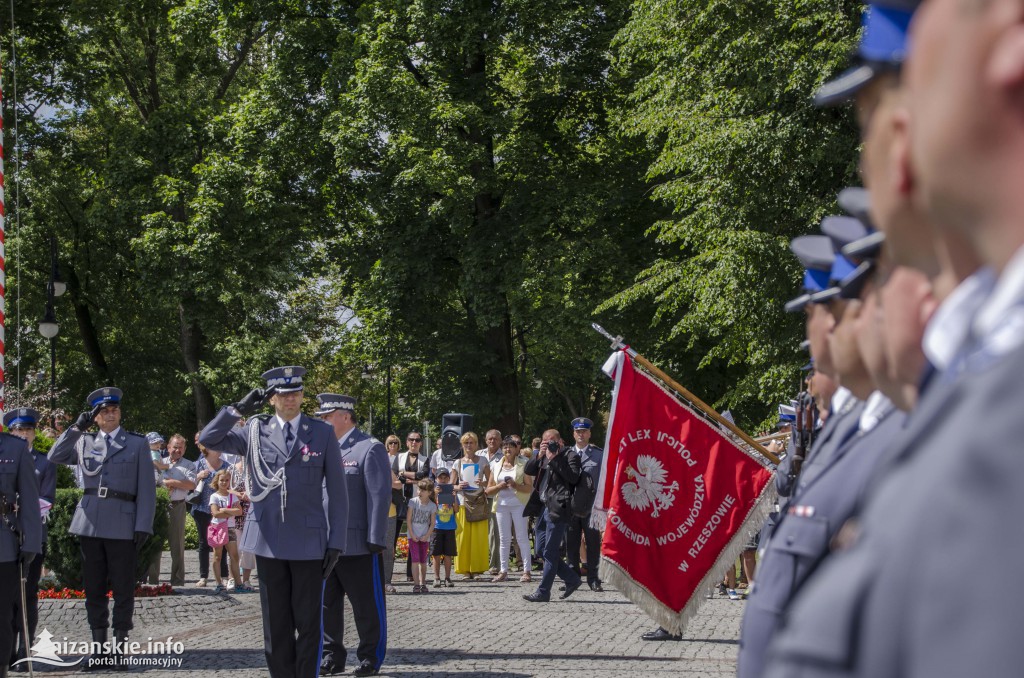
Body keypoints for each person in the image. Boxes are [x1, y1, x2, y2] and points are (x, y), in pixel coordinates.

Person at [199, 367, 348, 678]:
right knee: (276, 623)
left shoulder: (320, 433)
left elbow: (337, 491)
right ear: (271, 399)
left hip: (309, 541)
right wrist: (237, 409)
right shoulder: (255, 430)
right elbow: (209, 438)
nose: (289, 398)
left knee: (308, 623)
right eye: (282, 393)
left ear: (303, 395)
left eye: (295, 392)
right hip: (268, 539)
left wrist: (336, 542)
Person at [48, 387, 156, 670]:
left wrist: (143, 523)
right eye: (104, 411)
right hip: (90, 523)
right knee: (93, 590)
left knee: (123, 589)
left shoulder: (136, 443)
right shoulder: (85, 442)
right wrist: (75, 428)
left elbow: (147, 487)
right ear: (95, 418)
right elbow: (55, 455)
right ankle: (98, 650)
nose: (110, 414)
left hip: (123, 522)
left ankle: (119, 650)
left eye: (114, 410)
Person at [315, 393, 390, 678]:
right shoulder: (323, 448)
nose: (322, 420)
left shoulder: (368, 448)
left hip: (358, 543)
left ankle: (370, 656)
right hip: (324, 543)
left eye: (327, 415)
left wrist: (376, 537)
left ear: (345, 416)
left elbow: (379, 495)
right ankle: (332, 655)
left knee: (366, 606)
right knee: (327, 605)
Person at [3, 408, 48, 671]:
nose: (22, 433)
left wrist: (31, 540)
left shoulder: (32, 457)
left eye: (27, 429)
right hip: (7, 536)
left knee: (19, 601)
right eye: (18, 430)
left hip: (18, 538)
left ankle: (20, 651)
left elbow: (38, 501)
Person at [522, 429, 582, 603]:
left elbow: (573, 478)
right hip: (542, 508)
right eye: (545, 441)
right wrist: (539, 455)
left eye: (552, 441)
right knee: (541, 550)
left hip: (558, 508)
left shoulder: (570, 455)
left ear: (560, 441)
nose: (549, 444)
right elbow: (529, 469)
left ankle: (543, 591)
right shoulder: (543, 455)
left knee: (550, 551)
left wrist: (555, 458)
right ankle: (571, 578)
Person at [484, 435, 533, 582]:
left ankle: (527, 571)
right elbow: (488, 490)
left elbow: (529, 487)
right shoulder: (496, 464)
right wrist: (499, 486)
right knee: (504, 539)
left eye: (510, 446)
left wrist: (515, 485)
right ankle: (503, 570)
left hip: (519, 504)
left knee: (522, 537)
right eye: (505, 447)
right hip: (501, 505)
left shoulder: (523, 463)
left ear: (516, 449)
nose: (507, 449)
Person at [564, 417, 603, 591]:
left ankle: (594, 578)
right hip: (570, 506)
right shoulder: (565, 454)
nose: (581, 434)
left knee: (593, 543)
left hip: (591, 507)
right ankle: (572, 578)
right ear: (573, 434)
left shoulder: (599, 454)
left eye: (584, 431)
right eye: (578, 432)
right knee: (571, 543)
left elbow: (604, 481)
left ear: (589, 434)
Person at [191, 435, 230, 587]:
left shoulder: (225, 466)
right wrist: (198, 476)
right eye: (216, 446)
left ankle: (225, 576)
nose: (220, 449)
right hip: (201, 509)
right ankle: (203, 577)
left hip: (220, 511)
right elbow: (188, 484)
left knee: (223, 543)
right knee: (203, 544)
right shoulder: (198, 465)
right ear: (206, 448)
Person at [452, 432, 490, 578]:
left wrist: (484, 483)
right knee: (463, 537)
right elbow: (451, 485)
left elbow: (491, 481)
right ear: (462, 445)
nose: (469, 445)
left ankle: (477, 569)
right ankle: (465, 569)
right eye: (466, 443)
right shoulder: (458, 463)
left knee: (478, 538)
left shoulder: (483, 461)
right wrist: (458, 485)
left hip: (479, 501)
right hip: (463, 502)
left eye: (471, 442)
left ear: (476, 445)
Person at [160, 434, 196, 587]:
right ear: (168, 447)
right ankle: (152, 580)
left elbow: (191, 485)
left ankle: (177, 580)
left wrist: (171, 482)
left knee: (177, 546)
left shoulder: (189, 465)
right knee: (155, 544)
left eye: (181, 447)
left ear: (185, 449)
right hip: (160, 506)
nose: (177, 450)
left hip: (178, 506)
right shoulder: (159, 463)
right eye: (175, 447)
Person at [393, 431, 429, 582]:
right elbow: (395, 475)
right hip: (399, 500)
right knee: (393, 536)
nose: (414, 442)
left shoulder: (425, 459)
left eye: (417, 440)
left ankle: (410, 573)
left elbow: (423, 476)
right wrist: (413, 477)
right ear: (407, 442)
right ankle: (388, 573)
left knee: (415, 536)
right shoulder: (399, 457)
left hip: (416, 501)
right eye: (411, 440)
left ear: (421, 443)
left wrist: (405, 475)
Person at [208, 469, 244, 593]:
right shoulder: (214, 496)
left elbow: (239, 511)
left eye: (226, 480)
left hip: (230, 528)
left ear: (230, 482)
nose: (224, 482)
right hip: (218, 528)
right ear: (217, 481)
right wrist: (228, 511)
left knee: (234, 556)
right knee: (217, 556)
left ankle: (238, 583)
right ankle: (219, 583)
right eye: (222, 480)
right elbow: (215, 513)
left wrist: (223, 510)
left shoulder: (232, 496)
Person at [406, 479, 436, 593]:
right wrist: (412, 535)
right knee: (415, 560)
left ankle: (423, 583)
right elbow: (408, 520)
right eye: (419, 489)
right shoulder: (413, 502)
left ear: (429, 492)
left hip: (425, 536)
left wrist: (426, 535)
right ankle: (416, 584)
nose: (419, 492)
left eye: (423, 490)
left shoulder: (432, 506)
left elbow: (432, 523)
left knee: (423, 561)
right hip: (413, 536)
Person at [480, 429, 503, 575]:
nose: (492, 441)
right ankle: (480, 562)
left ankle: (494, 564)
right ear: (485, 440)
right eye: (489, 439)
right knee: (479, 531)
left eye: (495, 439)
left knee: (494, 532)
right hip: (476, 498)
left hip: (495, 497)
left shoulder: (505, 456)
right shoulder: (479, 455)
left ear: (500, 440)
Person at [431, 468, 458, 588]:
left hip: (450, 527)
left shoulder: (451, 491)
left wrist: (454, 499)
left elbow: (456, 510)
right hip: (437, 527)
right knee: (436, 554)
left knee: (448, 554)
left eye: (445, 477)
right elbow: (429, 507)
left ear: (448, 479)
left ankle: (447, 577)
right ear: (436, 479)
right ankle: (436, 578)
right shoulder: (432, 493)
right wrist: (435, 494)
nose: (442, 480)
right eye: (440, 477)